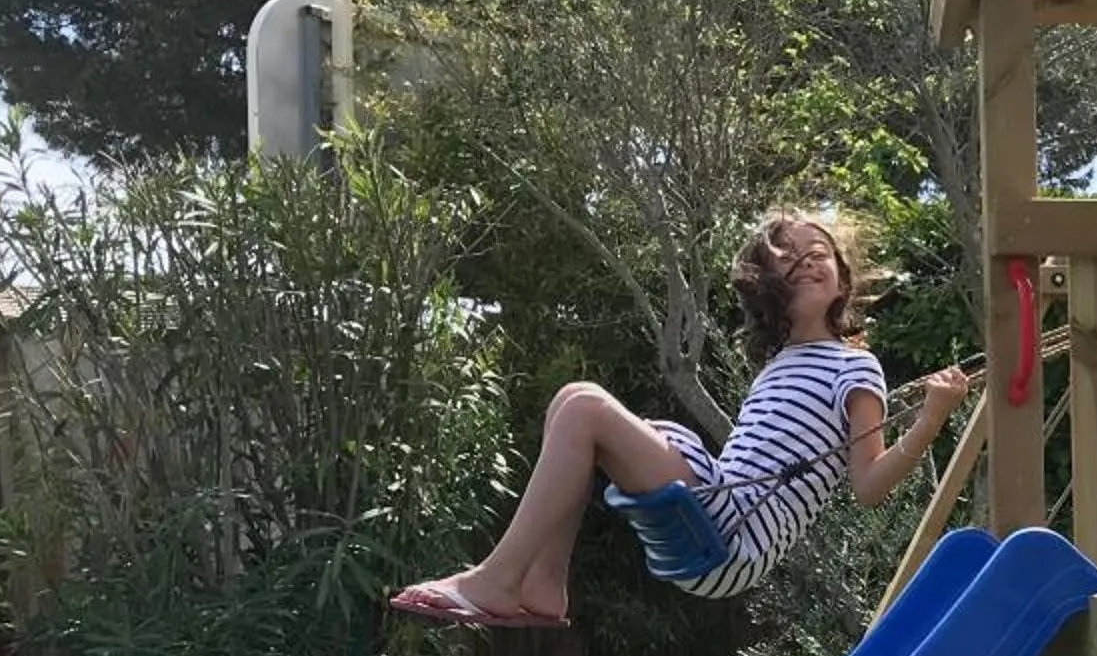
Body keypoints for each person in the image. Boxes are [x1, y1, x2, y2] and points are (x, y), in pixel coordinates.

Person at [391, 212, 974, 626]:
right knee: (570, 399)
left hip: (734, 534)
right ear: (769, 292)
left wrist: (931, 418)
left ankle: (496, 580)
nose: (807, 263)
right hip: (718, 512)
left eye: (818, 254)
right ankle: (544, 584)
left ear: (842, 275)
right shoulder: (779, 364)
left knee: (586, 405)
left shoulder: (855, 366)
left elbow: (868, 486)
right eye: (790, 262)